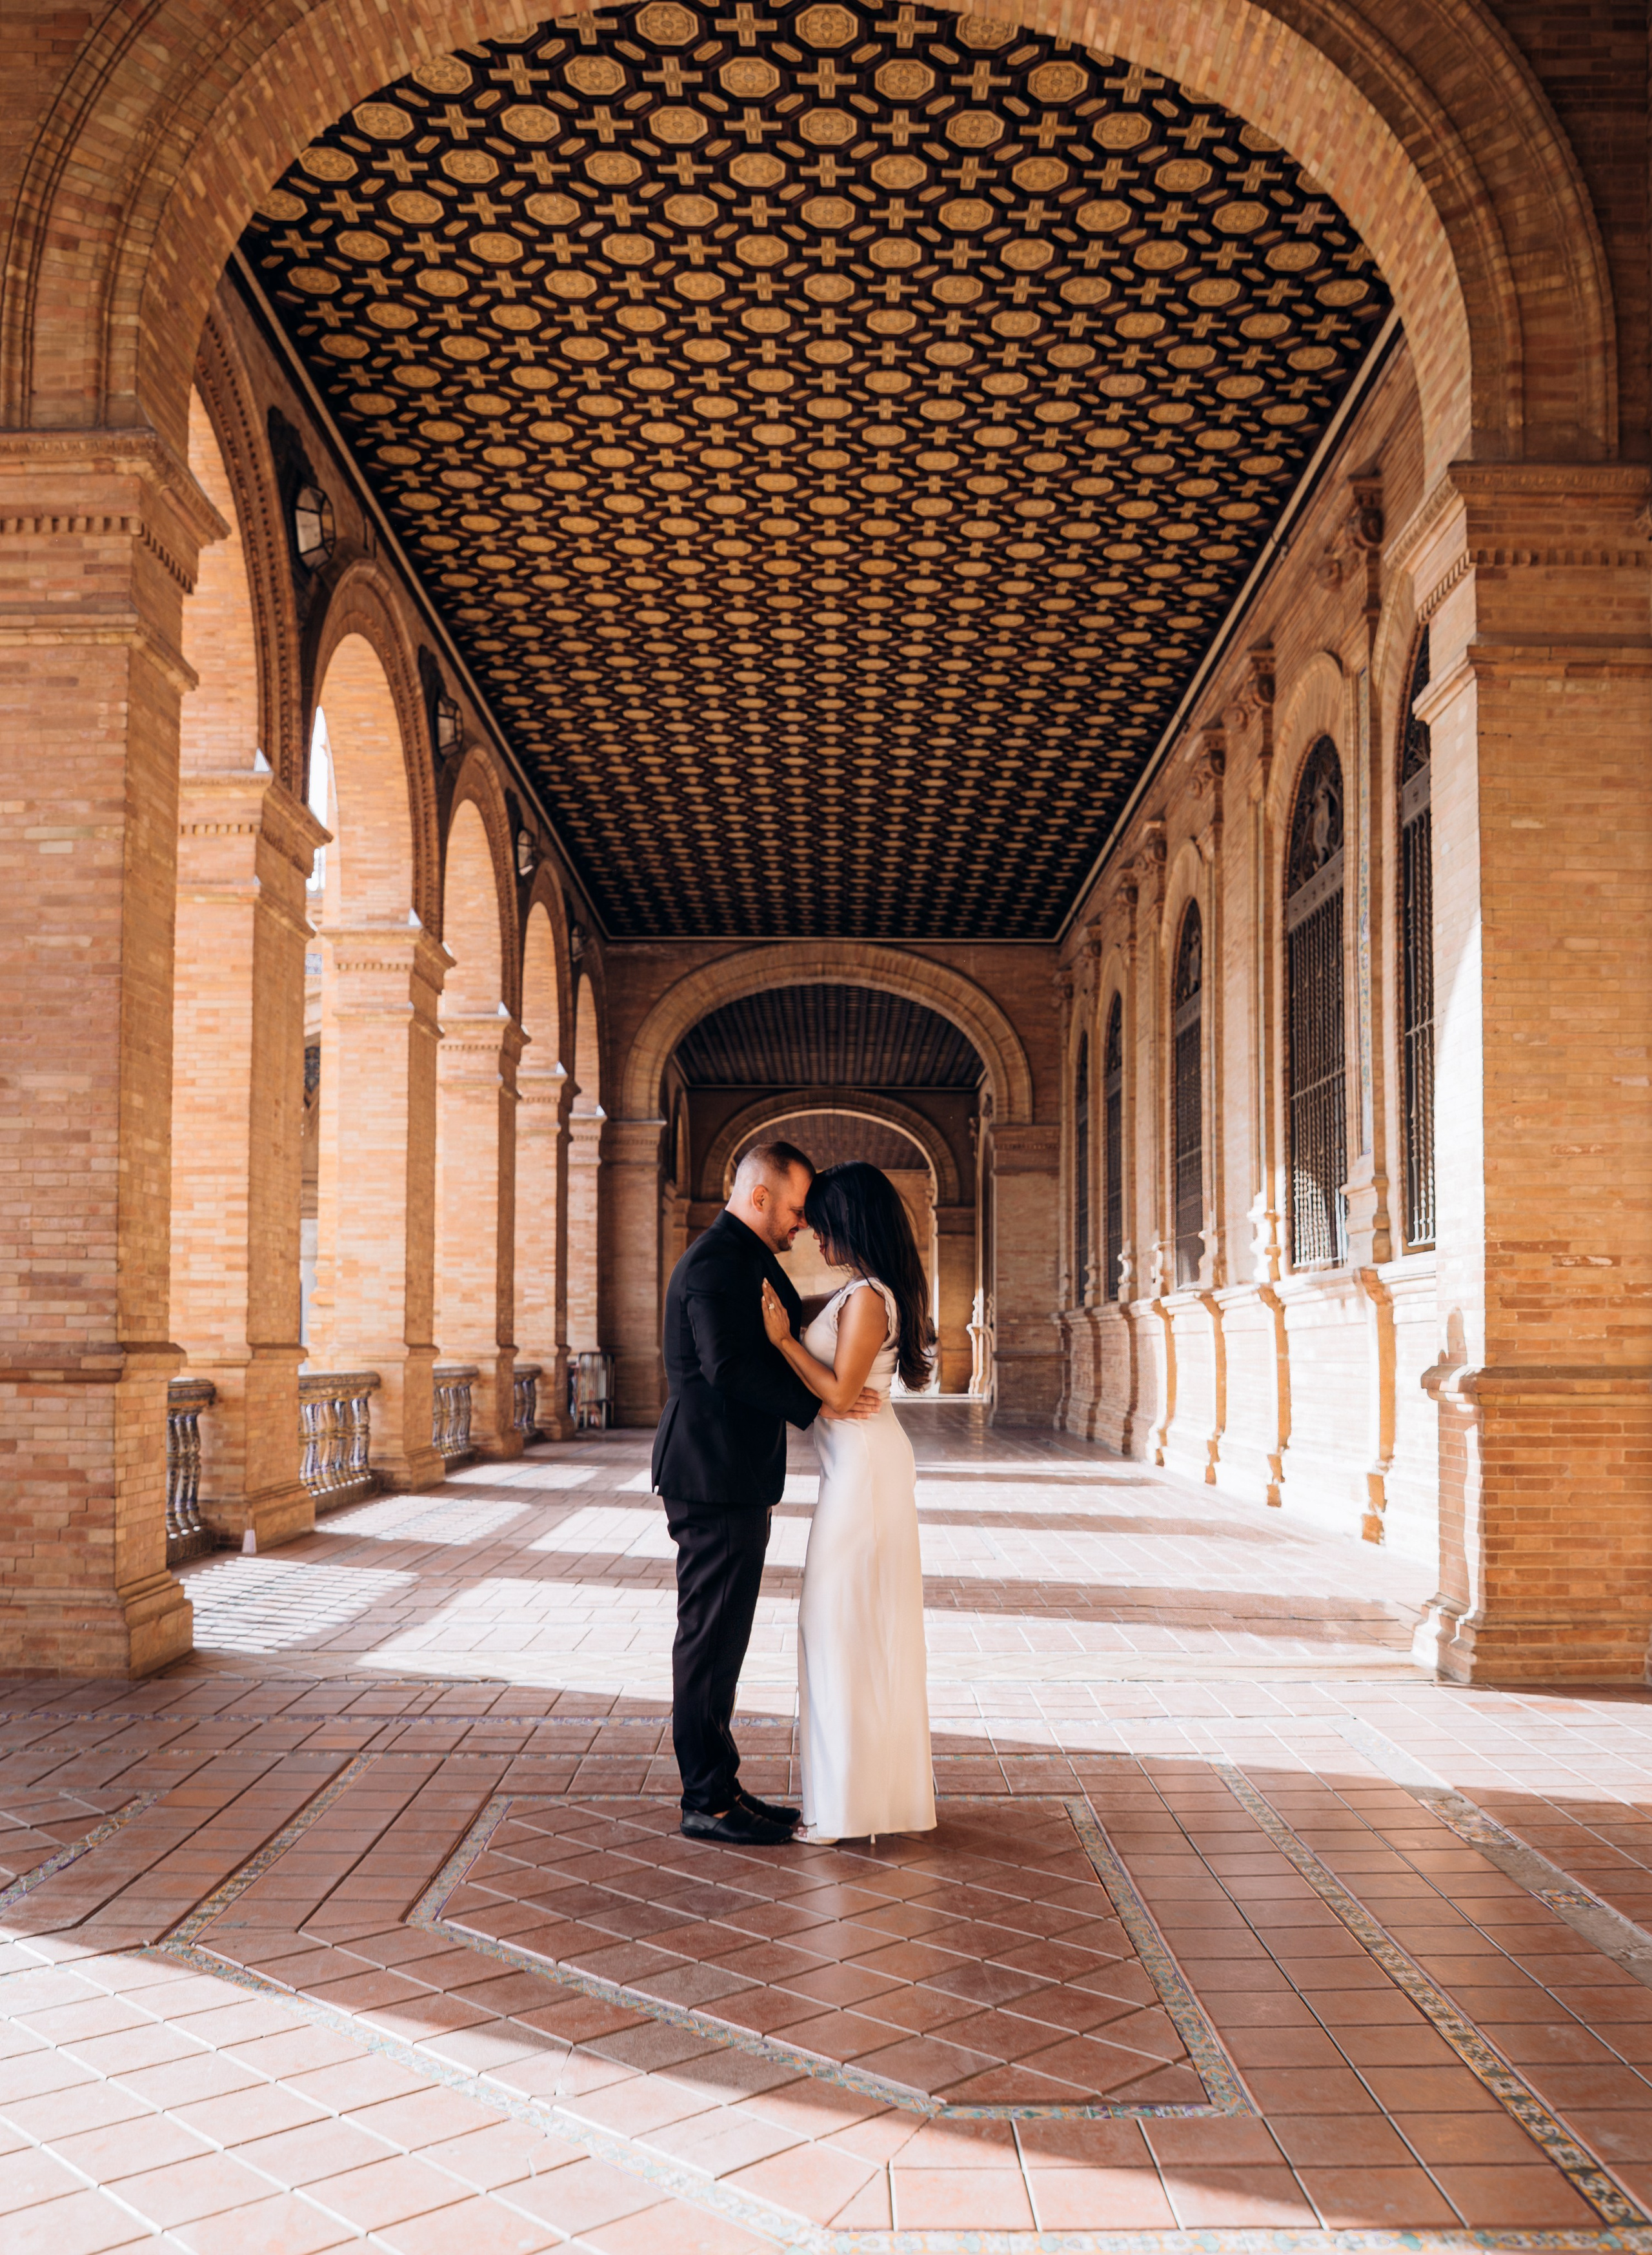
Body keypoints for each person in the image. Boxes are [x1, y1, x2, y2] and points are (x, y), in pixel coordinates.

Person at [653, 1140, 880, 1846]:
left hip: (731, 1475)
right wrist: (821, 1405)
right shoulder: (719, 1262)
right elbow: (724, 1365)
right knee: (709, 1637)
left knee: (724, 1637)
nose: (800, 1223)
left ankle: (721, 1783)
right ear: (758, 1196)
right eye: (792, 1208)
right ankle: (706, 1800)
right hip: (713, 1476)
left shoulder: (739, 1258)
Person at [760, 1160, 938, 1846]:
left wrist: (780, 1339)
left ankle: (838, 1810)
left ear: (849, 1221)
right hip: (856, 1464)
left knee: (838, 1628)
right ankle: (858, 1801)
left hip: (864, 1473)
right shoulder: (862, 1292)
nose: (808, 1227)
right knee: (850, 1628)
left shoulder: (867, 1296)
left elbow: (837, 1395)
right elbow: (836, 1389)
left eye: (818, 1216)